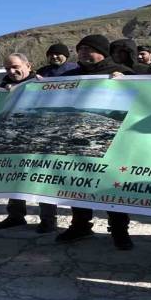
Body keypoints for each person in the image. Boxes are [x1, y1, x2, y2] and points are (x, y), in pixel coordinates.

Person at [54, 35, 136, 249]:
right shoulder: (70, 75)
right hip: (76, 140)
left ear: (102, 51)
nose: (82, 52)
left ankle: (119, 230)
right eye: (80, 49)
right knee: (76, 184)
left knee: (110, 186)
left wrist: (128, 82)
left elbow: (143, 95)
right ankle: (80, 225)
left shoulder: (121, 72)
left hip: (113, 142)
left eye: (88, 48)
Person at [0, 53, 58, 233]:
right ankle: (15, 216)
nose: (11, 71)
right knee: (14, 177)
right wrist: (4, 92)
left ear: (28, 66)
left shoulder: (43, 83)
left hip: (40, 141)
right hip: (14, 140)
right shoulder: (2, 88)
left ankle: (48, 220)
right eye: (7, 68)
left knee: (41, 179)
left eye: (15, 67)